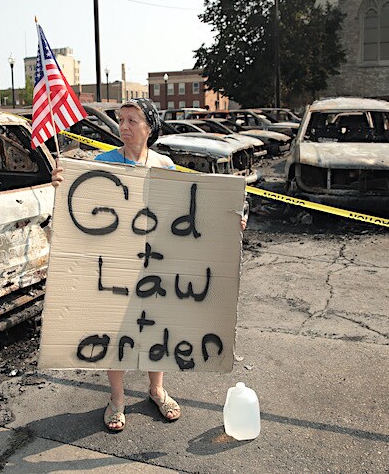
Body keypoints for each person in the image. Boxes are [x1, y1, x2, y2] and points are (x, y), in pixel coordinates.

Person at [51, 98, 247, 432]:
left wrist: (223, 223)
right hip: (115, 263)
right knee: (116, 329)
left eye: (132, 120)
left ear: (149, 127)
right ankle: (116, 398)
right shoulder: (103, 161)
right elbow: (84, 204)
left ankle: (157, 389)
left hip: (157, 263)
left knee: (158, 326)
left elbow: (186, 210)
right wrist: (62, 183)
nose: (123, 127)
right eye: (121, 120)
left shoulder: (164, 165)